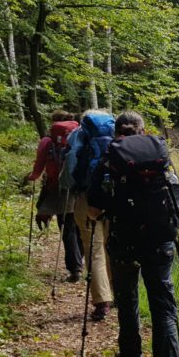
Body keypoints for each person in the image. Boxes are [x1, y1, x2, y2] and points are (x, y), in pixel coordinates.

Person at [87, 111, 179, 357]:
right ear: (143, 131)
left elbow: (93, 209)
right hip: (160, 241)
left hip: (124, 241)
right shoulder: (160, 158)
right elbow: (176, 195)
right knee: (163, 304)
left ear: (117, 132)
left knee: (128, 298)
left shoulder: (108, 161)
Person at [61, 110, 116, 321]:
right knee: (113, 247)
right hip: (113, 198)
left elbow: (69, 169)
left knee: (94, 250)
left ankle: (102, 302)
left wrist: (70, 186)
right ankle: (118, 292)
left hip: (86, 198)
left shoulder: (77, 134)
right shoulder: (116, 131)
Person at [28, 111, 82, 281]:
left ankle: (75, 268)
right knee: (77, 225)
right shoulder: (80, 135)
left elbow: (39, 165)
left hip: (58, 187)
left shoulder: (48, 140)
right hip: (80, 186)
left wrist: (32, 177)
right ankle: (81, 260)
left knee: (67, 228)